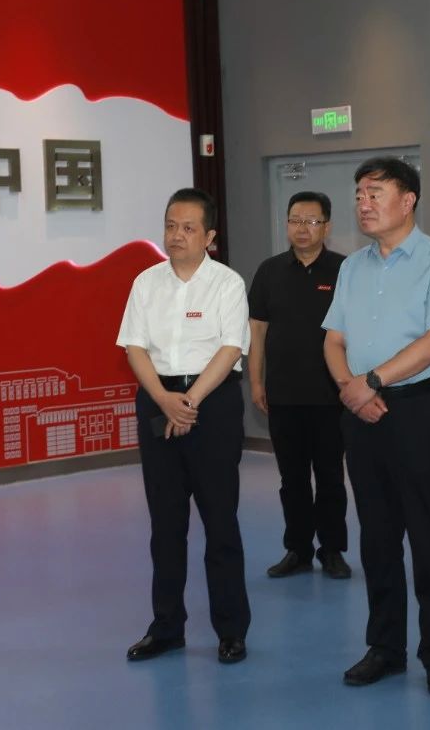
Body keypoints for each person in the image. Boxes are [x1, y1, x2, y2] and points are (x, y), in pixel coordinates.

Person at [322, 157, 430, 697]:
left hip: (417, 410)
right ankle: (385, 648)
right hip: (361, 412)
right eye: (360, 194)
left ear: (408, 201)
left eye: (375, 193)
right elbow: (334, 339)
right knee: (377, 535)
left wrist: (371, 382)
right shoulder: (352, 268)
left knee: (427, 534)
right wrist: (351, 389)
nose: (364, 203)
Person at [116, 187, 251, 665]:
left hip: (211, 404)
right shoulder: (146, 282)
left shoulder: (227, 283)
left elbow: (231, 348)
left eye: (188, 228)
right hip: (159, 401)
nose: (176, 235)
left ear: (209, 236)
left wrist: (188, 402)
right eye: (171, 226)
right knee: (165, 525)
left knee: (220, 522)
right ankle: (167, 627)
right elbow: (134, 346)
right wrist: (163, 399)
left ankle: (231, 630)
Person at [248, 191, 351, 579]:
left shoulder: (345, 270)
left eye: (311, 221)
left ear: (327, 226)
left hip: (332, 396)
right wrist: (256, 381)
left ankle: (332, 550)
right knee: (291, 480)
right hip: (283, 395)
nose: (302, 228)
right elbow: (257, 332)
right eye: (295, 220)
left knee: (330, 478)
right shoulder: (269, 271)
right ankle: (298, 550)